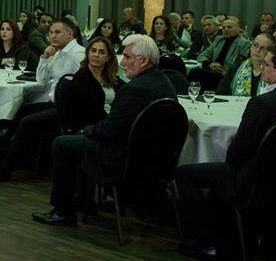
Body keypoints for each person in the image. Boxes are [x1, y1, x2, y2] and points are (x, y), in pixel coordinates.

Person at [31, 34, 177, 226]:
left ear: (143, 61)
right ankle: (83, 200)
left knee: (62, 144)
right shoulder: (164, 83)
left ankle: (63, 211)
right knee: (80, 141)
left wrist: (85, 132)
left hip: (124, 159)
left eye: (126, 57)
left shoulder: (134, 90)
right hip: (158, 159)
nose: (122, 62)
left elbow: (109, 129)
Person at [174, 44, 276, 259]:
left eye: (266, 65)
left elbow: (239, 150)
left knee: (184, 174)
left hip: (254, 182)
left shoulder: (262, 103)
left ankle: (206, 242)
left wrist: (227, 159)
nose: (261, 68)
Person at [0, 18, 84, 183]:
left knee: (27, 121)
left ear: (70, 33)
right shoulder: (57, 52)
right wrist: (44, 57)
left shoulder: (78, 55)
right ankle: (20, 157)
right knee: (19, 109)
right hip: (53, 103)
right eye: (50, 33)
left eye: (57, 32)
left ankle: (4, 169)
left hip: (68, 109)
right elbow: (41, 80)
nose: (53, 36)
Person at [190, 18, 251, 92]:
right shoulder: (218, 40)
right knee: (195, 72)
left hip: (226, 76)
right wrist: (210, 64)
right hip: (212, 71)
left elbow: (242, 65)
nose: (226, 29)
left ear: (238, 30)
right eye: (223, 28)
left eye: (229, 27)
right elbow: (201, 56)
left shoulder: (243, 43)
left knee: (196, 73)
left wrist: (226, 73)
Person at [226, 33, 273, 97]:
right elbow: (222, 90)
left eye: (263, 48)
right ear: (251, 46)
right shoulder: (237, 65)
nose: (257, 50)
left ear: (270, 51)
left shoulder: (274, 72)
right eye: (255, 45)